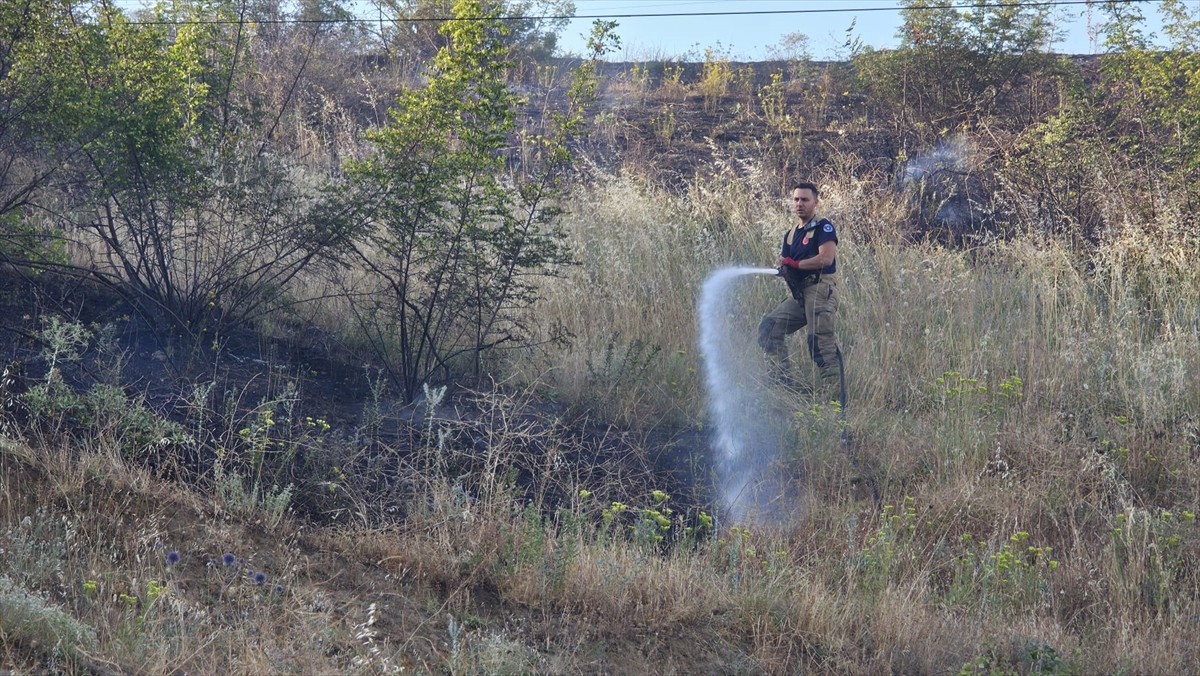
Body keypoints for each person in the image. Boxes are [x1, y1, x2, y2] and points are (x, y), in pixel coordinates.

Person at [757, 182, 844, 403]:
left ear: (815, 202)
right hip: (801, 294)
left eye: (805, 199)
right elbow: (789, 267)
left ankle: (835, 399)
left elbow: (826, 258)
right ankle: (782, 383)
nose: (799, 204)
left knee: (820, 342)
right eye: (796, 199)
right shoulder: (790, 235)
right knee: (769, 328)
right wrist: (786, 270)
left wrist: (796, 265)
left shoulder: (824, 228)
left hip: (820, 290)